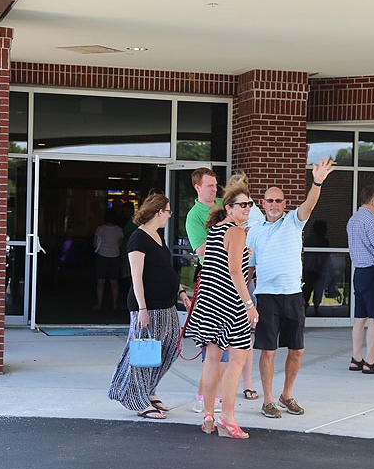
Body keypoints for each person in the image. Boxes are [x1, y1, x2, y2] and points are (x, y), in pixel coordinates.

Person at [247, 156, 335, 419]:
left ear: (285, 204)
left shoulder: (293, 221)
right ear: (262, 204)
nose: (274, 204)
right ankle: (269, 400)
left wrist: (317, 182)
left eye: (278, 201)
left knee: (297, 349)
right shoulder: (254, 231)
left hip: (293, 294)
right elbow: (247, 268)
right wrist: (247, 302)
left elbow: (309, 204)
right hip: (266, 296)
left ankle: (287, 395)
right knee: (269, 350)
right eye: (269, 200)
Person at [183, 176, 258, 438]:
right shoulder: (236, 232)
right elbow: (236, 273)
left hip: (208, 302)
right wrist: (249, 304)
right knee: (237, 359)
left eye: (249, 204)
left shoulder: (215, 229)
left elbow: (215, 265)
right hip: (230, 303)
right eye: (242, 205)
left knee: (212, 358)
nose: (247, 208)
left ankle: (208, 415)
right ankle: (228, 418)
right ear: (228, 208)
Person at [108, 195, 191, 419]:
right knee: (143, 352)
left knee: (171, 346)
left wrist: (181, 292)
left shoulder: (157, 236)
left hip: (167, 304)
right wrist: (142, 309)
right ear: (159, 212)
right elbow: (136, 276)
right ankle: (138, 399)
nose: (171, 214)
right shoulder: (138, 239)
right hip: (147, 306)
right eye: (169, 210)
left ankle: (148, 389)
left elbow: (166, 269)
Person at [345, 185, 374, 374]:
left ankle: (356, 358)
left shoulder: (352, 220)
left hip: (359, 272)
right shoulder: (373, 222)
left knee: (360, 318)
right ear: (373, 201)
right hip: (373, 272)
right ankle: (370, 362)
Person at [93, 211, 124, 311]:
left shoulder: (100, 229)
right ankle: (115, 304)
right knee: (114, 282)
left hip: (102, 256)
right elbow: (120, 243)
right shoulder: (119, 230)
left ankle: (99, 304)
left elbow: (95, 243)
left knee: (100, 282)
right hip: (115, 256)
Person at [302, 220, 330, 317]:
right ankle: (316, 309)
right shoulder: (323, 240)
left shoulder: (309, 239)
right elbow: (326, 255)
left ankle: (304, 309)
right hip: (319, 268)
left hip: (309, 268)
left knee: (307, 290)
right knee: (318, 290)